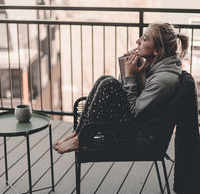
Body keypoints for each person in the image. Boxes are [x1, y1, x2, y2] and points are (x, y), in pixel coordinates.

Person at [53, 21, 189, 154]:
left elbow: (135, 112)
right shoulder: (152, 66)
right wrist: (127, 71)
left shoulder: (163, 80)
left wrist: (129, 76)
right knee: (105, 79)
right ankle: (78, 133)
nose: (138, 41)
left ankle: (83, 139)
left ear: (157, 50)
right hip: (136, 127)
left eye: (145, 39)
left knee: (109, 84)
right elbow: (123, 89)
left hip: (142, 137)